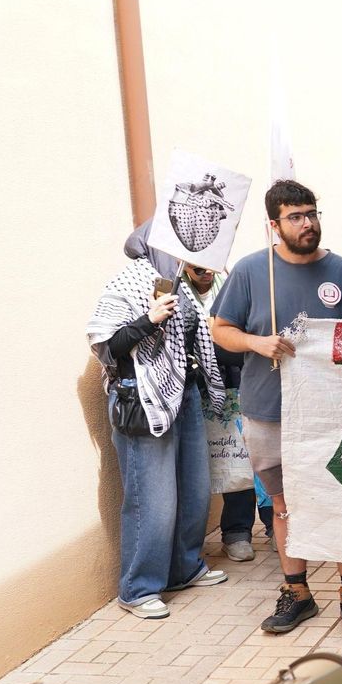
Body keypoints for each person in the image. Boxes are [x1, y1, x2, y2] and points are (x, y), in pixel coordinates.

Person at [211, 180, 342, 635]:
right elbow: (220, 329)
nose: (308, 223)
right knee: (284, 504)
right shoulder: (251, 271)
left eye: (312, 214)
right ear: (274, 224)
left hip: (335, 412)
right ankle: (297, 592)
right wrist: (256, 342)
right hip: (268, 410)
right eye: (296, 216)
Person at [89, 235, 231, 620]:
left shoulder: (179, 284)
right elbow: (105, 345)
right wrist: (147, 320)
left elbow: (189, 340)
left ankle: (183, 568)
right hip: (142, 401)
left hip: (182, 396)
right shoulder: (128, 281)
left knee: (194, 490)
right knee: (153, 500)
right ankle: (138, 588)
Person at [124, 222, 257, 563]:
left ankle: (238, 530)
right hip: (187, 391)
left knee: (237, 456)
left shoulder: (230, 284)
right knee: (198, 470)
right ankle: (185, 553)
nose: (207, 272)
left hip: (231, 384)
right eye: (199, 268)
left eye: (211, 265)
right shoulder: (166, 289)